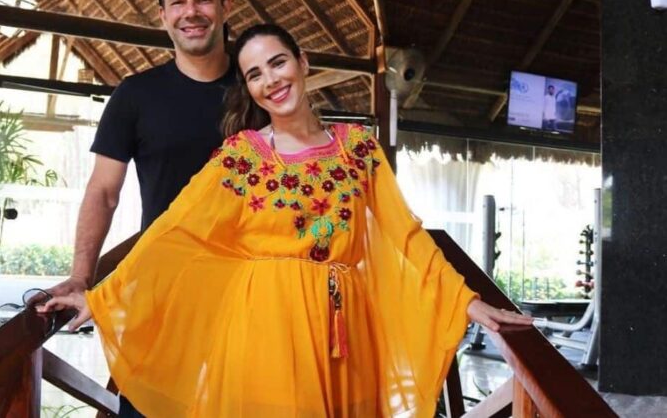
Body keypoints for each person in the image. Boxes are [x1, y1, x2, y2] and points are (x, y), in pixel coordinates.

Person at [39, 24, 532, 417]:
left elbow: (405, 234)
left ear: (303, 63)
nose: (271, 81)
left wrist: (468, 304)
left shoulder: (359, 150)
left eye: (278, 63)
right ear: (249, 89)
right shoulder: (240, 157)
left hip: (344, 335)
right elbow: (175, 232)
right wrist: (100, 294)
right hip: (262, 333)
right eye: (255, 74)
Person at [44, 0, 234, 417]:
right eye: (179, 2)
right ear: (164, 15)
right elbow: (104, 192)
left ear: (226, 8)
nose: (192, 12)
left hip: (250, 290)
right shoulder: (135, 95)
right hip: (162, 293)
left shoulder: (258, 90)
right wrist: (81, 275)